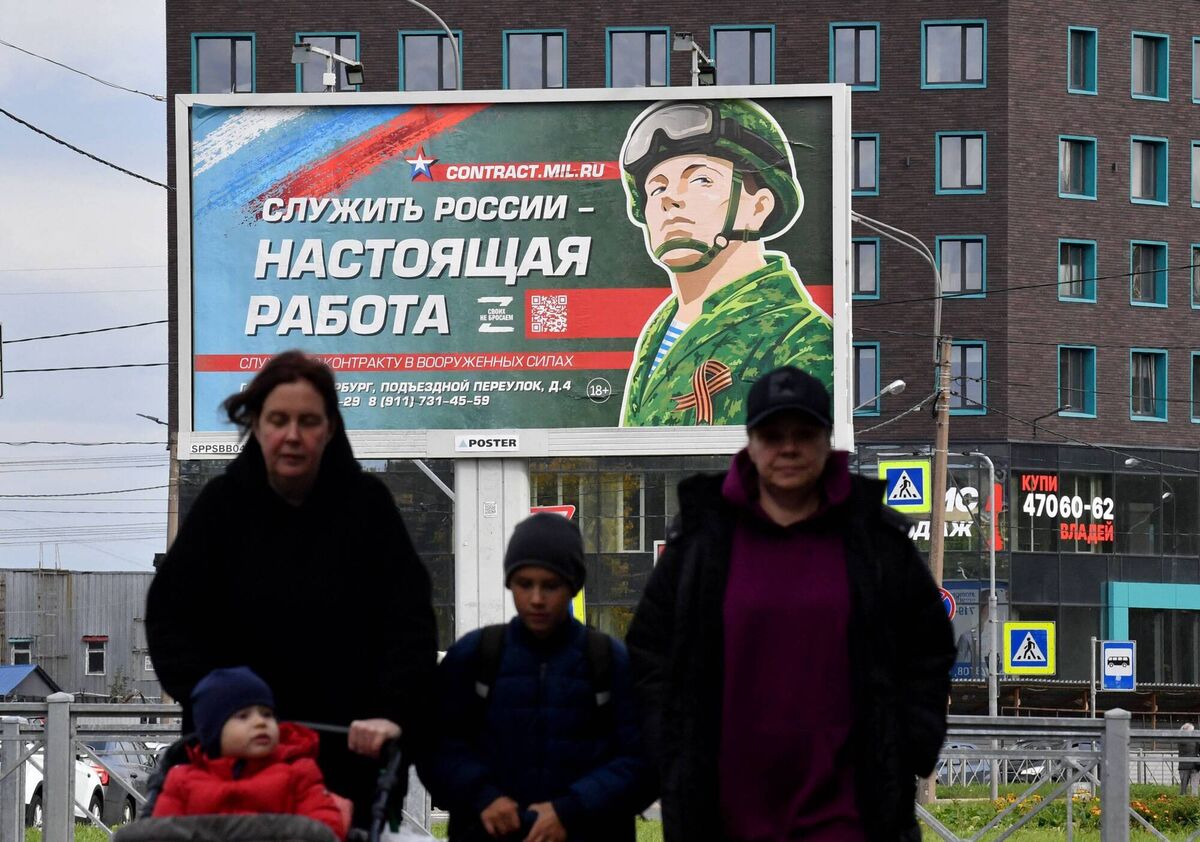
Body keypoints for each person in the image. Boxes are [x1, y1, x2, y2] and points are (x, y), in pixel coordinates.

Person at [626, 365, 956, 841]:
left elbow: (927, 648)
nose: (789, 448)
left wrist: (910, 744)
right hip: (724, 817)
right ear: (751, 443)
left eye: (804, 433)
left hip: (850, 819)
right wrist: (670, 752)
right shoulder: (703, 542)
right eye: (772, 435)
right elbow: (649, 652)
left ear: (827, 441)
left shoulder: (875, 542)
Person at [146, 350, 438, 828]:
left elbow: (410, 627)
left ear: (330, 428)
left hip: (346, 761)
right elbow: (170, 618)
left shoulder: (369, 509)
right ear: (257, 425)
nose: (293, 435)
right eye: (278, 420)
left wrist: (393, 713)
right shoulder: (221, 508)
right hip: (231, 765)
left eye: (308, 421)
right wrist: (213, 700)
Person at [420, 513, 654, 841]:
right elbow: (435, 745)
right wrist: (483, 797)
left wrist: (571, 810)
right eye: (524, 584)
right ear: (510, 583)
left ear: (573, 585)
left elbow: (644, 758)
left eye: (550, 585)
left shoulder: (609, 661)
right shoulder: (474, 656)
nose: (536, 599)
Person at [617, 99, 833, 427]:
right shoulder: (657, 332)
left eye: (701, 180)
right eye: (656, 188)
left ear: (758, 208)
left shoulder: (801, 339)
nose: (668, 199)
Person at [153, 666, 351, 839]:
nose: (260, 722)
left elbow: (326, 824)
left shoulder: (297, 773)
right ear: (213, 731)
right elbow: (159, 833)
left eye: (267, 714)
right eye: (243, 716)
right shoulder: (182, 781)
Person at [1180, 722, 1199, 796]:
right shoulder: (1195, 740)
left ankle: (1184, 799)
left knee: (1185, 788)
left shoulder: (1180, 739)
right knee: (1193, 787)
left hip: (1189, 766)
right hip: (1193, 765)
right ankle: (1192, 800)